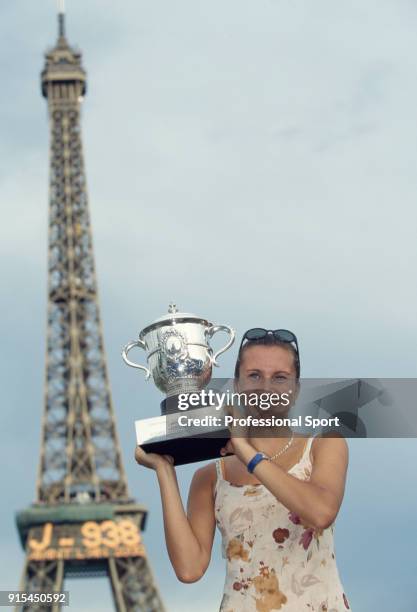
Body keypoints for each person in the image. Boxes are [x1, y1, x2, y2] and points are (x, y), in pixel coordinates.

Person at [134, 328, 352, 611]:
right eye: (254, 375)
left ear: (295, 389)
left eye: (280, 377)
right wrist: (164, 471)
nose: (266, 388)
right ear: (237, 385)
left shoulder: (324, 444)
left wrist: (245, 450)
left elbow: (321, 512)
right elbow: (189, 569)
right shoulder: (211, 477)